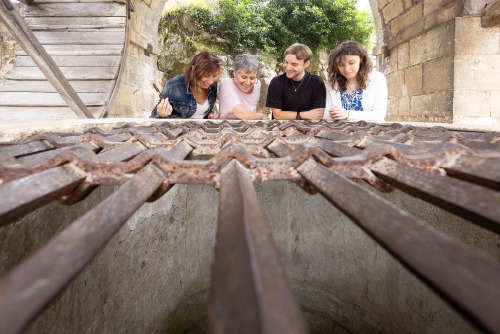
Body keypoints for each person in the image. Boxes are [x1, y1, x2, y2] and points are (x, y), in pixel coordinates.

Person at [325, 40, 387, 122]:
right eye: (341, 65)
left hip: (371, 131)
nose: (346, 69)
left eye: (351, 63)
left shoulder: (377, 78)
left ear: (361, 59)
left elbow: (379, 114)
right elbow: (327, 113)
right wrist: (332, 114)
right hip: (341, 131)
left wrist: (348, 114)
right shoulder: (333, 82)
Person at [150, 51, 221, 119]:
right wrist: (161, 114)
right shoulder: (173, 85)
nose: (211, 81)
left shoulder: (212, 86)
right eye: (206, 76)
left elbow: (201, 112)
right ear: (194, 69)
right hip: (178, 129)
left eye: (214, 76)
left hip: (203, 129)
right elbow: (153, 116)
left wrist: (210, 115)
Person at [266, 43, 326, 120]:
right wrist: (302, 115)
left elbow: (318, 115)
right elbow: (277, 115)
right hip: (281, 128)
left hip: (309, 128)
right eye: (286, 62)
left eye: (294, 64)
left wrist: (286, 115)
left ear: (306, 64)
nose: (288, 68)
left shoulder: (317, 82)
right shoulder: (276, 82)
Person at [218, 54, 268, 120]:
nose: (247, 83)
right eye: (244, 77)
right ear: (235, 72)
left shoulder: (257, 84)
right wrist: (262, 116)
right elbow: (242, 115)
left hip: (250, 127)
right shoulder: (226, 84)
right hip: (228, 127)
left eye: (252, 78)